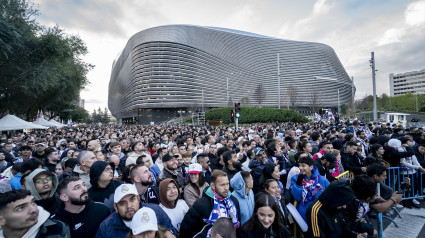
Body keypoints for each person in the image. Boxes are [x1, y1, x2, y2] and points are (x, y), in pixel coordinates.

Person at [95, 183, 177, 237]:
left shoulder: (156, 211)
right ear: (116, 207)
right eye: (122, 203)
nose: (129, 206)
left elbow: (172, 232)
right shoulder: (106, 227)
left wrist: (167, 233)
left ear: (138, 198)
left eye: (132, 199)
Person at [180, 170, 241, 238]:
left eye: (227, 184)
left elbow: (237, 227)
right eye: (222, 185)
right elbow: (187, 229)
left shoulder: (233, 201)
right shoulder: (201, 204)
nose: (226, 188)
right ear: (213, 185)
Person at [0, 189, 70, 238]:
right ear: (1, 220)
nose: (34, 209)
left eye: (33, 202)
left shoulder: (57, 229)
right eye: (20, 208)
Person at [290, 156, 329, 221]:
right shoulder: (295, 178)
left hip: (320, 209)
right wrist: (298, 184)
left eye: (303, 166)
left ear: (311, 167)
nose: (300, 168)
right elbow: (297, 197)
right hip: (304, 209)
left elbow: (328, 194)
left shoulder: (322, 179)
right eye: (299, 165)